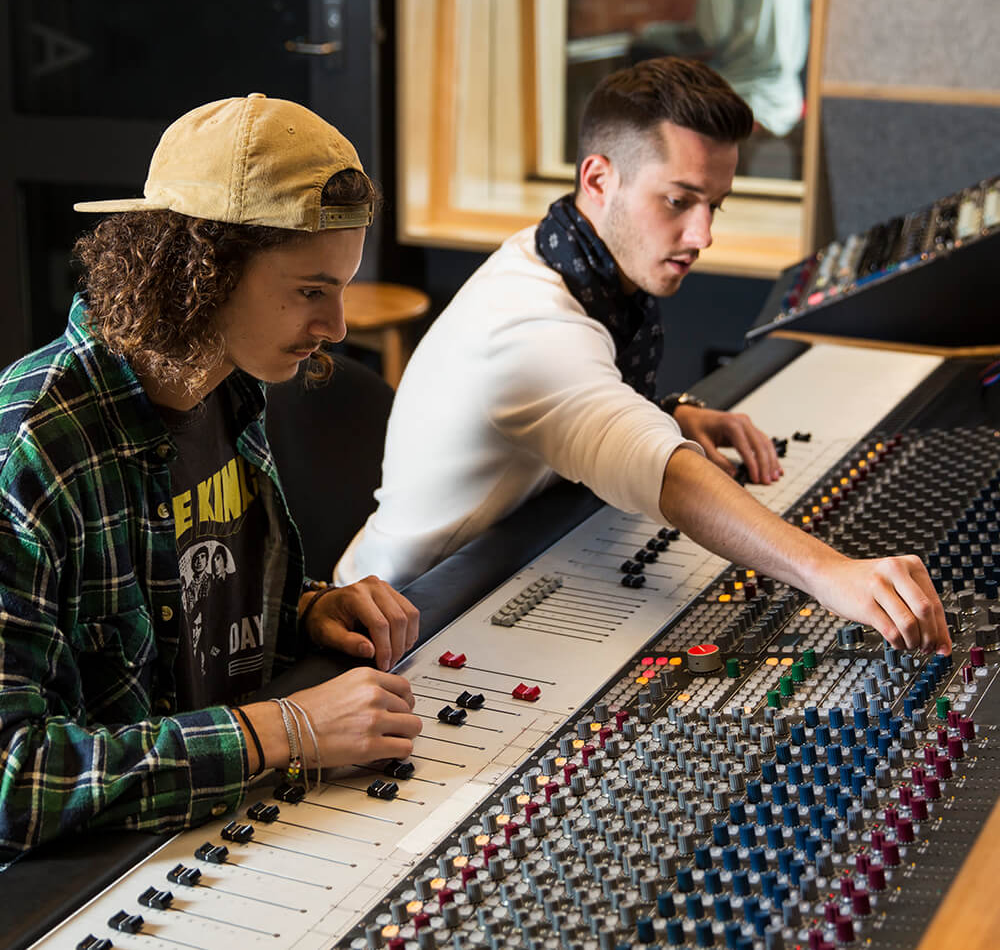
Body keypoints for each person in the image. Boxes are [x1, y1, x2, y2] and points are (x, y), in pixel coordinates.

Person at [336, 57, 951, 661]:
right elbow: (661, 471)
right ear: (599, 179)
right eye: (679, 201)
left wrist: (669, 413)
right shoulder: (525, 323)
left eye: (716, 204)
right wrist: (827, 572)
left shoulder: (561, 252)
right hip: (399, 622)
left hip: (497, 567)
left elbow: (587, 393)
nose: (703, 235)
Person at [0, 94, 421, 862]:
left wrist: (302, 611)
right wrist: (287, 730)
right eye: (310, 290)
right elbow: (13, 779)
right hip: (94, 878)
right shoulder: (29, 454)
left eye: (341, 287)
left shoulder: (227, 384)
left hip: (217, 822)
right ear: (199, 270)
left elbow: (176, 610)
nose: (338, 327)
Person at [633, 0, 809, 140]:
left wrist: (647, 32)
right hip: (789, 95)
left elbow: (710, 35)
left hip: (742, 96)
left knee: (641, 63)